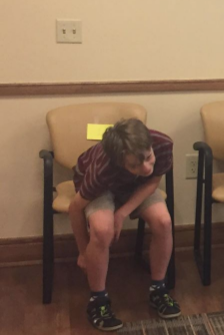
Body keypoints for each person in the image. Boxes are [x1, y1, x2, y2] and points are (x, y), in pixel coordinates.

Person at [68, 119, 180, 331]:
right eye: (135, 165)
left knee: (163, 222)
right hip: (103, 188)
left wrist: (122, 213)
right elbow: (74, 209)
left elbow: (152, 181)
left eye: (148, 157)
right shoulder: (103, 169)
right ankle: (98, 300)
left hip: (137, 185)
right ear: (120, 163)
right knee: (102, 230)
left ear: (151, 146)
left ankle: (158, 289)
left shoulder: (163, 144)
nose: (146, 167)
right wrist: (83, 252)